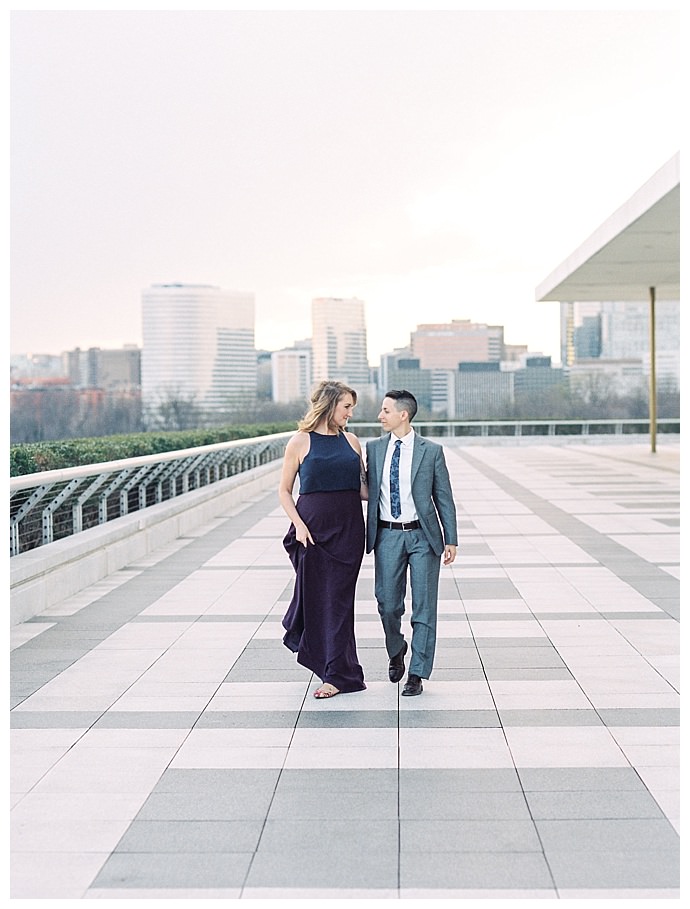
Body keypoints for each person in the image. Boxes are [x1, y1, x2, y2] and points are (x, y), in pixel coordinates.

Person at [279, 379, 368, 699]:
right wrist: (299, 526)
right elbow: (284, 491)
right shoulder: (299, 442)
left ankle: (340, 673)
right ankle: (333, 670)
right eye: (346, 407)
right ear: (329, 405)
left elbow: (361, 489)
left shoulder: (353, 441)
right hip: (312, 533)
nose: (350, 414)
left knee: (340, 603)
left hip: (348, 531)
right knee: (318, 601)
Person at [365, 389, 457, 696]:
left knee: (424, 607)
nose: (380, 416)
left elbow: (443, 496)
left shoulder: (431, 451)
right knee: (387, 604)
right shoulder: (374, 448)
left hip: (423, 536)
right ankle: (396, 648)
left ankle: (417, 671)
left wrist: (451, 538)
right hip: (387, 535)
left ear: (403, 414)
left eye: (386, 410)